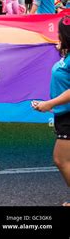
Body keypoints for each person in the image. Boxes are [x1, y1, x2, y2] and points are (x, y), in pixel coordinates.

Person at [32, 16, 70, 206]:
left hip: (68, 116)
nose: (56, 35)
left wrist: (49, 103)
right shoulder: (67, 55)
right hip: (63, 114)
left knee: (61, 160)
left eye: (59, 33)